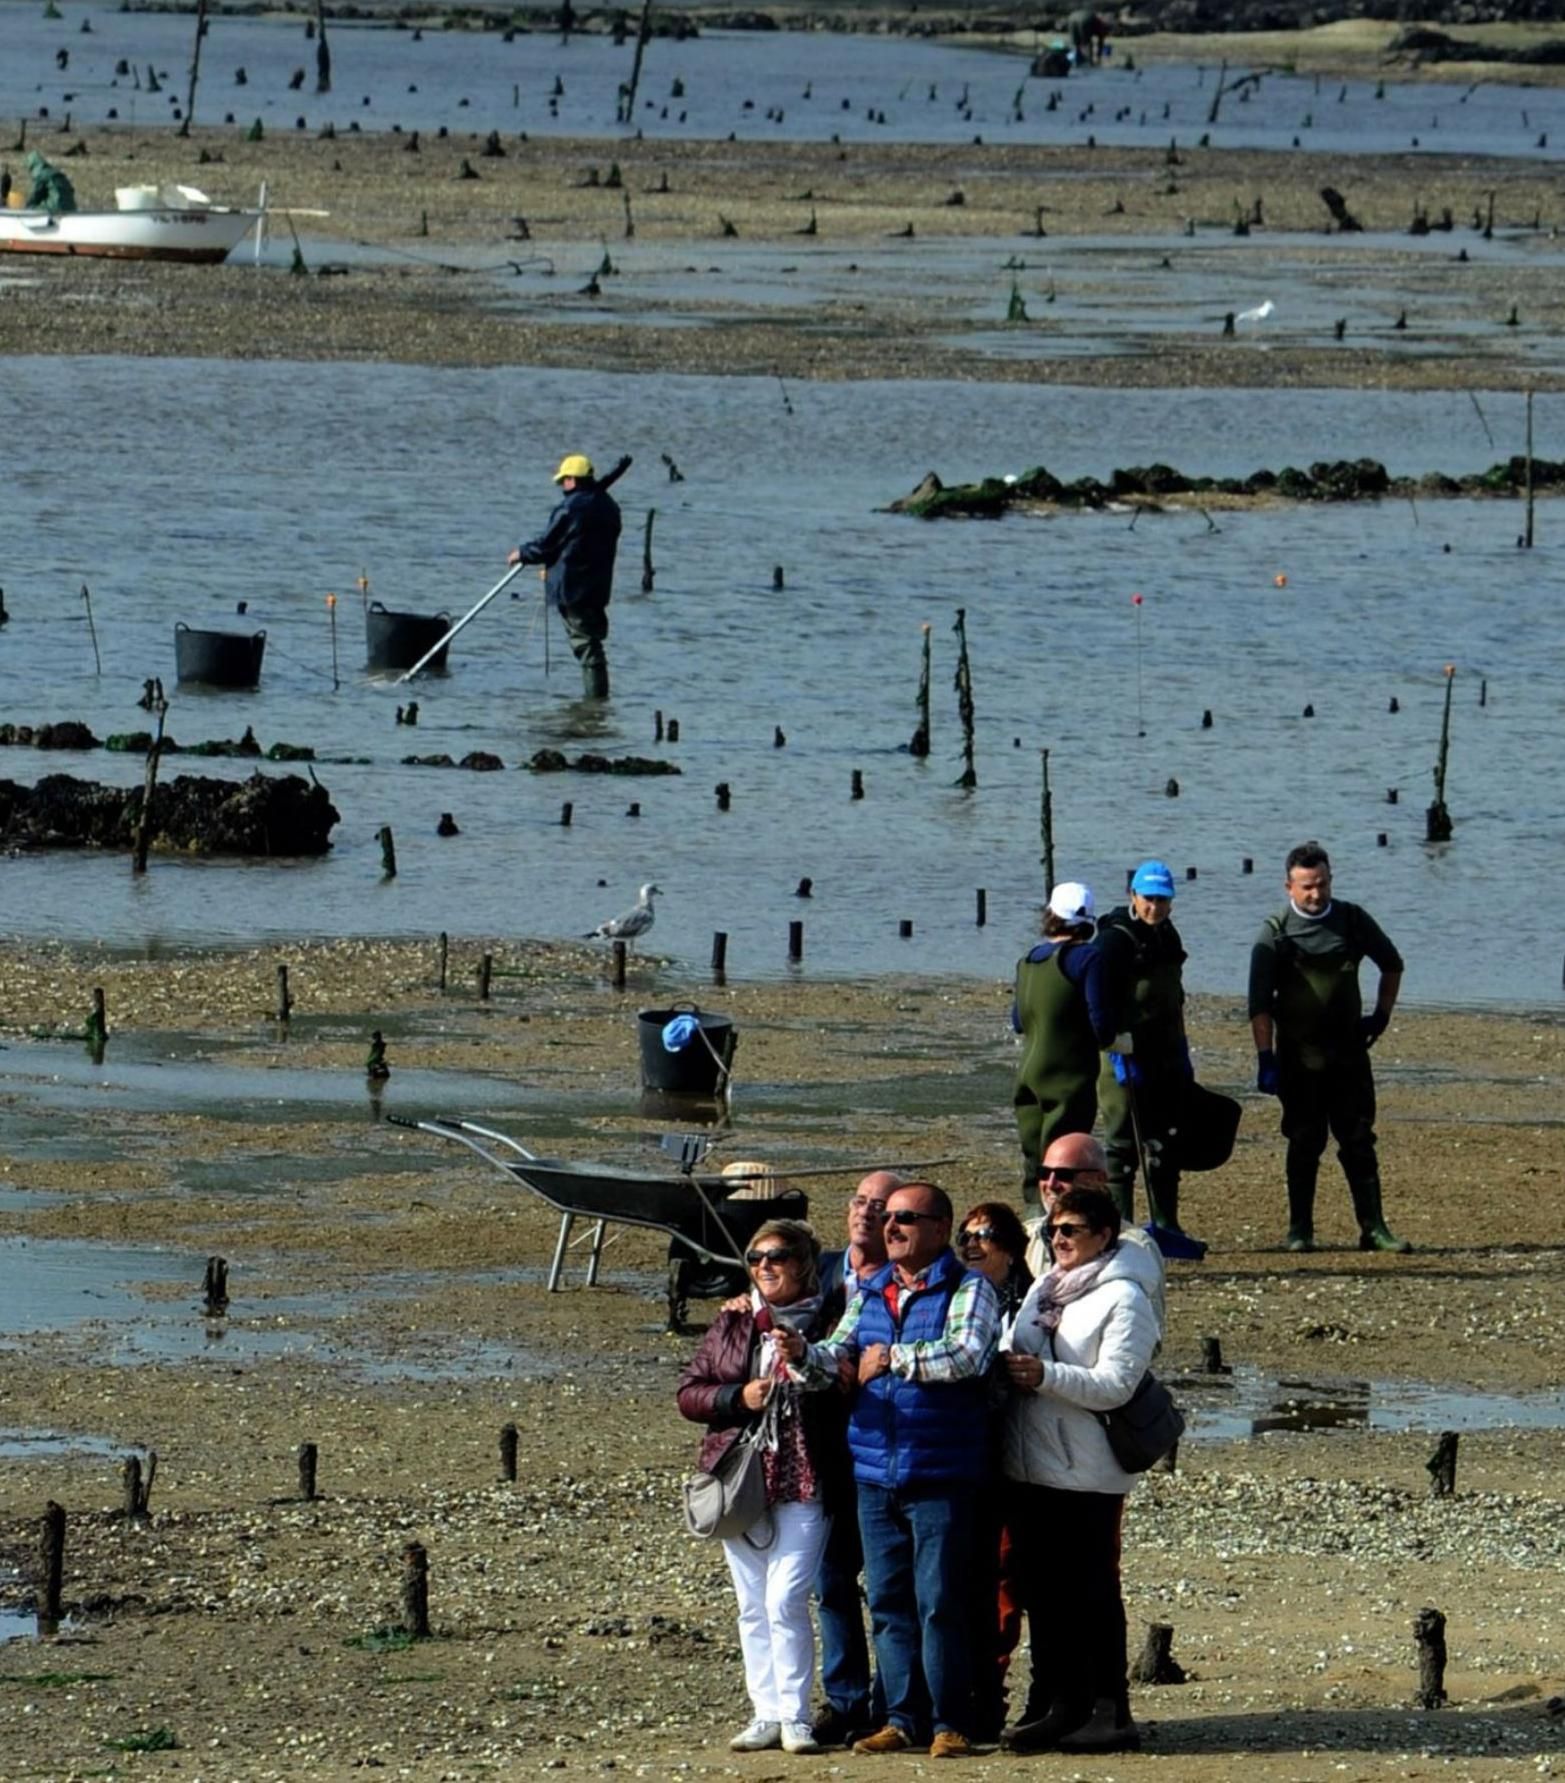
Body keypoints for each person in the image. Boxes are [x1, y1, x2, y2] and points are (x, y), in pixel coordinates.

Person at [799, 1182, 1001, 1759]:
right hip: (873, 1472)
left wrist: (893, 1359)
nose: (890, 1227)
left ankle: (951, 1723)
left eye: (906, 1218)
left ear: (940, 1228)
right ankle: (902, 1720)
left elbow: (967, 1354)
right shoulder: (871, 1291)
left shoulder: (969, 1287)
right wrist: (801, 1356)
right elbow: (839, 1352)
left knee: (941, 1602)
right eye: (887, 1217)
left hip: (943, 1473)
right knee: (888, 1602)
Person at [1000, 1185, 1161, 1756]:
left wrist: (1043, 1376)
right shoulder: (1045, 1287)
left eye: (1069, 1230)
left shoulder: (1126, 1298)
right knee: (1041, 1589)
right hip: (1031, 1462)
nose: (1057, 1239)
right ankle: (1058, 1702)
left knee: (1090, 1591)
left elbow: (1117, 1384)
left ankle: (1110, 1710)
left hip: (1088, 1469)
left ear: (1103, 1236)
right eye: (1051, 1231)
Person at [676, 1218, 843, 1756]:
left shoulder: (833, 1316)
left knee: (785, 1599)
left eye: (775, 1256)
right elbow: (690, 1393)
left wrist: (804, 1355)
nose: (764, 1267)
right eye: (754, 1258)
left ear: (803, 1264)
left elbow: (846, 1382)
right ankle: (764, 1713)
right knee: (751, 1604)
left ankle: (796, 1717)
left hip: (806, 1477)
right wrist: (736, 1398)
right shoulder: (734, 1321)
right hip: (744, 1475)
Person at [1248, 841, 1409, 1254]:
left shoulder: (1353, 920)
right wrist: (1266, 1058)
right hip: (1299, 1060)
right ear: (1289, 886)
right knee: (1304, 1141)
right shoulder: (1276, 932)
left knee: (1358, 1140)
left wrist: (1382, 1015)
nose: (1315, 894)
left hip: (1349, 1055)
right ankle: (1300, 1230)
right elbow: (1259, 1004)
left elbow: (1392, 964)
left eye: (1321, 884)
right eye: (1306, 887)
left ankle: (1374, 1228)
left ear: (1330, 879)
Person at [810, 1172, 900, 1748]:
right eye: (860, 1202)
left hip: (886, 1452)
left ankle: (892, 1703)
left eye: (881, 1207)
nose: (866, 1214)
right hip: (823, 1453)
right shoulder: (818, 1269)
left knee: (893, 1587)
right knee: (831, 1582)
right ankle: (843, 1701)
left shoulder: (904, 1283)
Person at [1096, 860, 1207, 1261]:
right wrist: (1112, 1044)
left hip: (1166, 1055)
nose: (1155, 907)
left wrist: (1181, 1052)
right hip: (1123, 1057)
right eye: (1148, 899)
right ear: (1133, 896)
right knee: (1122, 1146)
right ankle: (1121, 1228)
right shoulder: (1114, 939)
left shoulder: (1167, 936)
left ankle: (1166, 1225)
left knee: (1165, 1144)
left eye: (1163, 900)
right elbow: (1095, 998)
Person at [956, 1202, 1034, 1742]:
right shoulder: (955, 1298)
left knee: (1006, 1580)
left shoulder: (1032, 1302)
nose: (972, 1244)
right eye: (965, 1235)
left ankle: (993, 1690)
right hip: (968, 1458)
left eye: (984, 1235)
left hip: (1021, 1459)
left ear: (1009, 1244)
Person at [1013, 882, 1116, 1201]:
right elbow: (1101, 1025)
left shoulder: (1028, 961)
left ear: (1050, 916)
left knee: (1035, 1162)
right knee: (1065, 1165)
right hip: (1068, 1078)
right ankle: (1061, 1225)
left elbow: (1018, 1021)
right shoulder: (1088, 959)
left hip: (1028, 1076)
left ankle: (1031, 1222)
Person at [507, 453, 621, 699]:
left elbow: (547, 544)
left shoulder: (570, 508)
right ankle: (597, 708)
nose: (561, 486)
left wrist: (522, 553)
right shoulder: (609, 506)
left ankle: (595, 703)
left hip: (573, 588)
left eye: (564, 480)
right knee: (592, 643)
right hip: (597, 587)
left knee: (586, 646)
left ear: (573, 480)